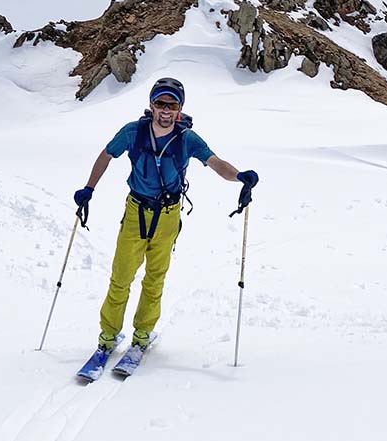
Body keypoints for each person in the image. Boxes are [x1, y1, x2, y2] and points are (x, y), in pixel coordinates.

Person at [72, 76, 258, 366]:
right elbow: (106, 155)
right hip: (136, 212)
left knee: (154, 279)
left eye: (172, 104)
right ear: (151, 105)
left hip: (168, 216)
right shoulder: (133, 132)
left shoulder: (187, 139)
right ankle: (107, 338)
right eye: (160, 103)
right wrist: (89, 189)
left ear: (180, 110)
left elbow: (216, 163)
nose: (166, 109)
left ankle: (142, 336)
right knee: (120, 277)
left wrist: (240, 177)